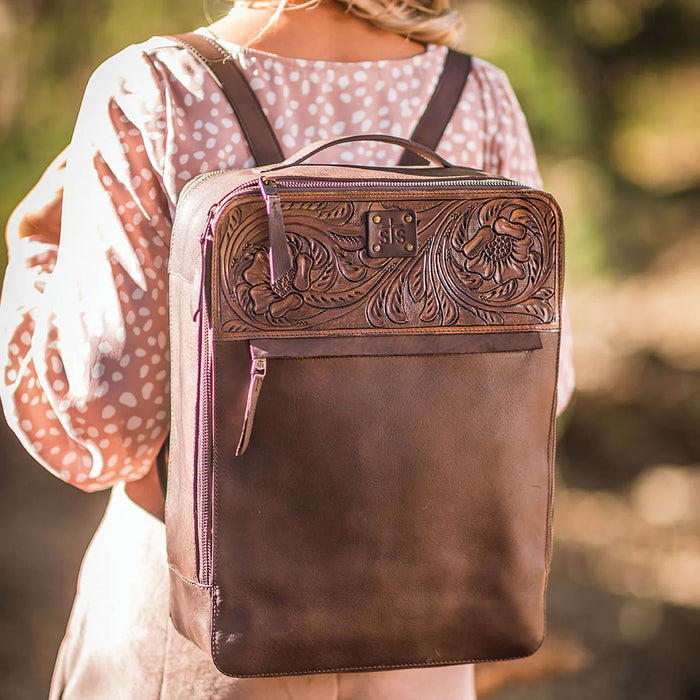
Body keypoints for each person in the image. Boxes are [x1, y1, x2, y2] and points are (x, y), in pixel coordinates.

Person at [0, 0, 575, 697]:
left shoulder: (155, 87)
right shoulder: (479, 94)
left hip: (206, 619)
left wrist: (32, 248)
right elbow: (545, 381)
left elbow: (105, 430)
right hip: (422, 620)